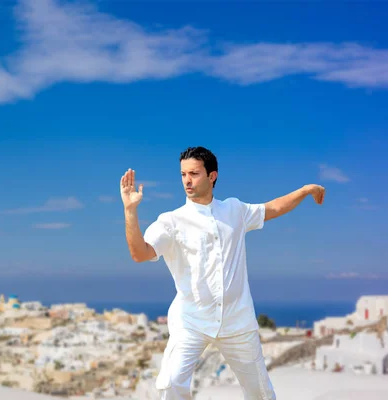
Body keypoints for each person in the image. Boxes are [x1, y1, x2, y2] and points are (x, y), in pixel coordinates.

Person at [120, 146, 325, 400]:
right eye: (183, 174)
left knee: (260, 393)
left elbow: (272, 208)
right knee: (171, 384)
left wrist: (305, 190)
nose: (187, 180)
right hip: (191, 321)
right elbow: (140, 254)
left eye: (194, 173)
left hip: (237, 321)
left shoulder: (235, 210)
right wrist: (130, 212)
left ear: (212, 176)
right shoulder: (171, 221)